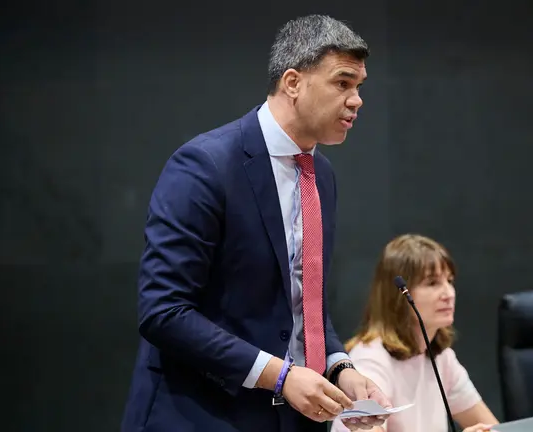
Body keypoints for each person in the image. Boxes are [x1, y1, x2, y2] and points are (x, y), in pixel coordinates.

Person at [120, 14, 391, 432]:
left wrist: (340, 367)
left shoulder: (321, 174)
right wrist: (280, 376)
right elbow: (164, 311)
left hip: (293, 419)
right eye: (342, 83)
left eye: (359, 86)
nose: (356, 100)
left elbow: (302, 304)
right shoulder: (205, 165)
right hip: (200, 415)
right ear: (293, 83)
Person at [331, 234, 499, 432]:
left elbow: (496, 428)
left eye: (449, 281)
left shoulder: (442, 358)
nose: (448, 294)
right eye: (432, 283)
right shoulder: (370, 360)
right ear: (398, 295)